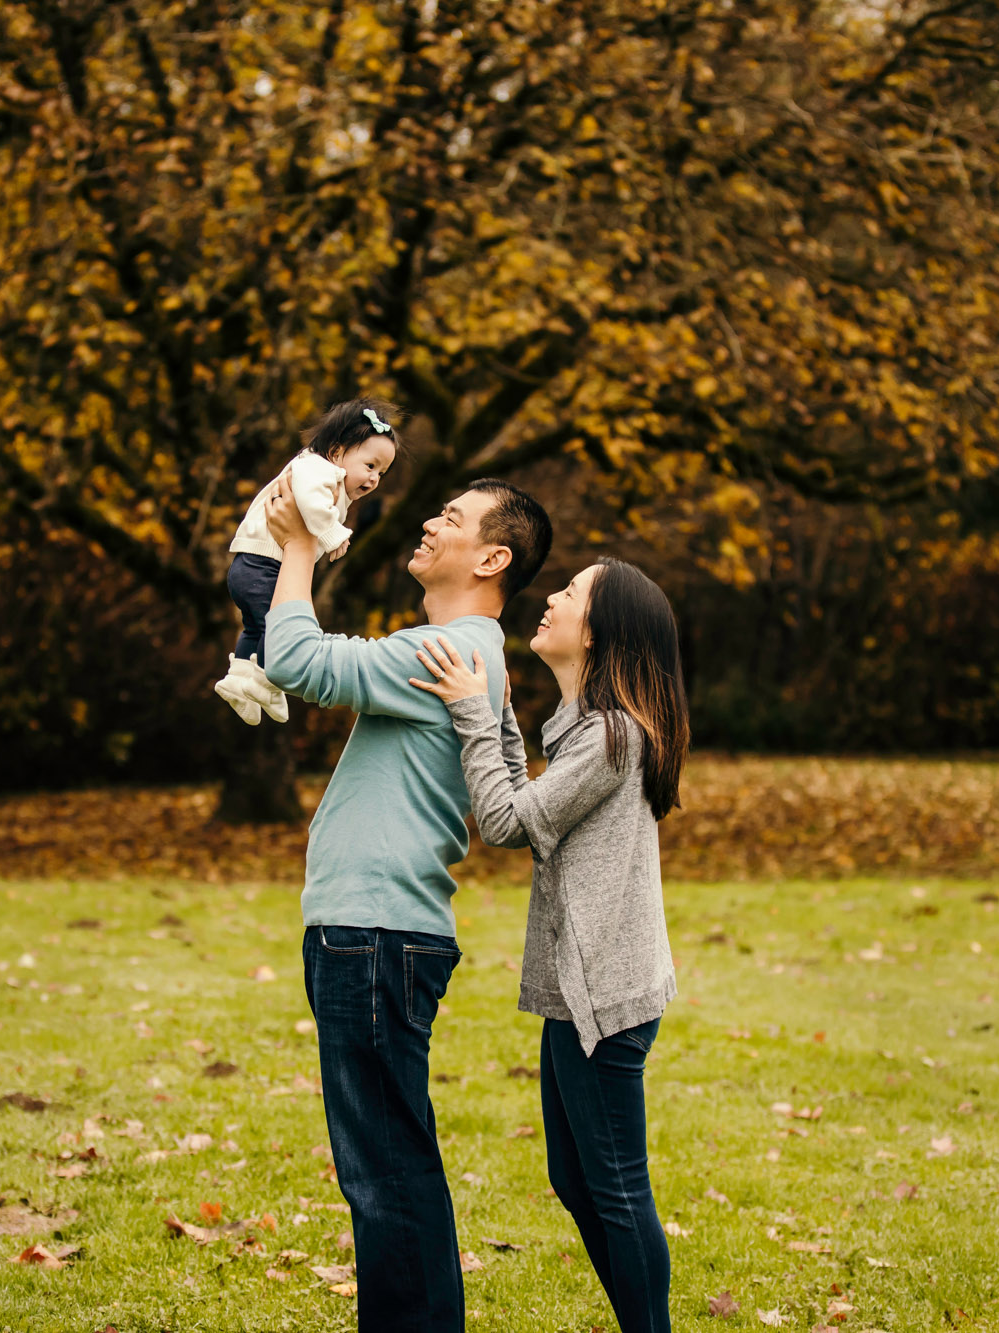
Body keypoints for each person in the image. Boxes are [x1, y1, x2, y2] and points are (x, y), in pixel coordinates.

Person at [258, 470, 553, 1332]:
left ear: (491, 556)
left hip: (377, 932)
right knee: (387, 1160)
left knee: (385, 1167)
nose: (428, 523)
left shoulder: (448, 652)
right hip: (375, 931)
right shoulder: (461, 653)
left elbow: (295, 659)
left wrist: (300, 546)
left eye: (451, 519)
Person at [408, 557, 689, 1333]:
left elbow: (504, 822)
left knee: (616, 1185)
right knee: (578, 1177)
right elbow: (524, 803)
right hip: (585, 988)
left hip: (603, 993)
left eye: (570, 593)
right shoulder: (586, 729)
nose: (552, 598)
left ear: (597, 630)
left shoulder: (610, 736)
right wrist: (493, 708)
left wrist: (473, 712)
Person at [214, 399, 400, 725]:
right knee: (279, 629)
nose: (374, 479)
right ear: (337, 452)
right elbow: (310, 502)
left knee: (258, 626)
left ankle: (239, 680)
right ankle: (267, 682)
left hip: (252, 567)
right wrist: (332, 534)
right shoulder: (316, 468)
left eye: (382, 473)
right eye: (370, 466)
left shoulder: (325, 472)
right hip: (262, 567)